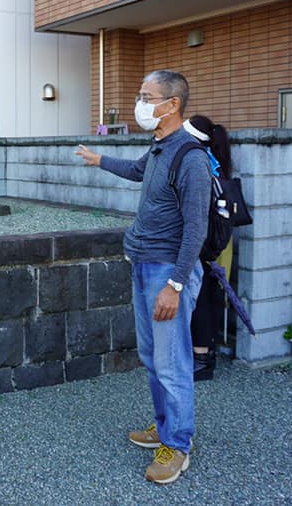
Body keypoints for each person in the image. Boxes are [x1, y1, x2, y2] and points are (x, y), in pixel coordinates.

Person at [76, 70, 210, 485]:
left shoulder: (190, 157)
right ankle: (164, 427)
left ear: (171, 105)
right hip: (143, 265)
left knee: (172, 364)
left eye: (147, 97)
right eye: (140, 95)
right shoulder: (158, 148)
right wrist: (100, 160)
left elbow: (196, 229)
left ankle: (179, 445)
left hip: (167, 273)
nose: (140, 104)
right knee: (153, 359)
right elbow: (136, 171)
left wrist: (175, 284)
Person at [184, 114, 234, 381]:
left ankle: (201, 360)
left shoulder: (200, 162)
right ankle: (205, 354)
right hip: (219, 240)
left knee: (201, 297)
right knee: (208, 295)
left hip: (207, 242)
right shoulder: (215, 160)